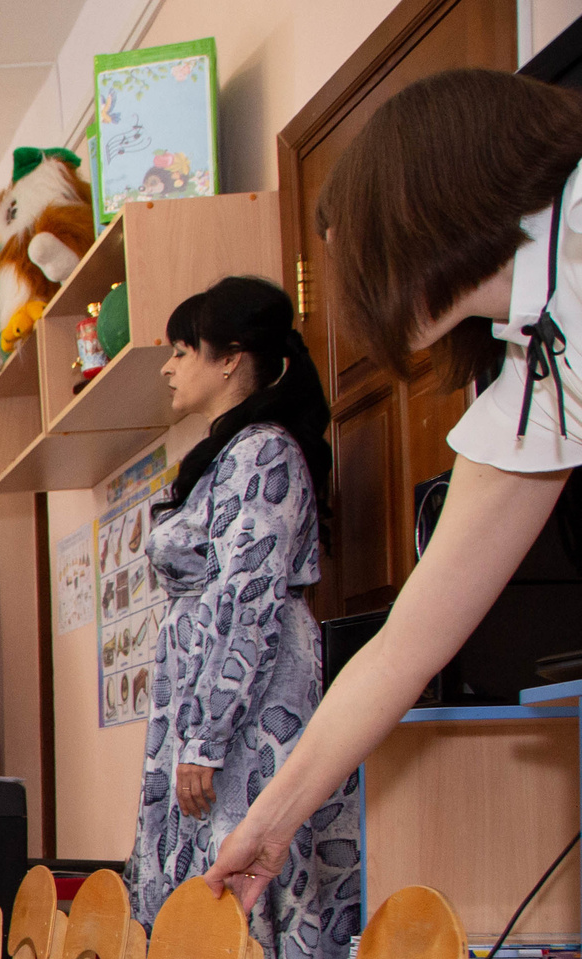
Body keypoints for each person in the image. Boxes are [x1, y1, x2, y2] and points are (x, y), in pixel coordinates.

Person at [209, 69, 582, 905]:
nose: (358, 294)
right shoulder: (536, 377)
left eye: (358, 255)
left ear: (418, 209)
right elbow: (403, 648)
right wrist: (271, 823)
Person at [129, 277, 360, 959]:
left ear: (231, 359)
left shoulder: (267, 452)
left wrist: (205, 734)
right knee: (217, 906)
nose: (169, 368)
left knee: (261, 893)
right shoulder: (226, 454)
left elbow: (248, 601)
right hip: (206, 712)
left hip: (252, 715)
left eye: (182, 350)